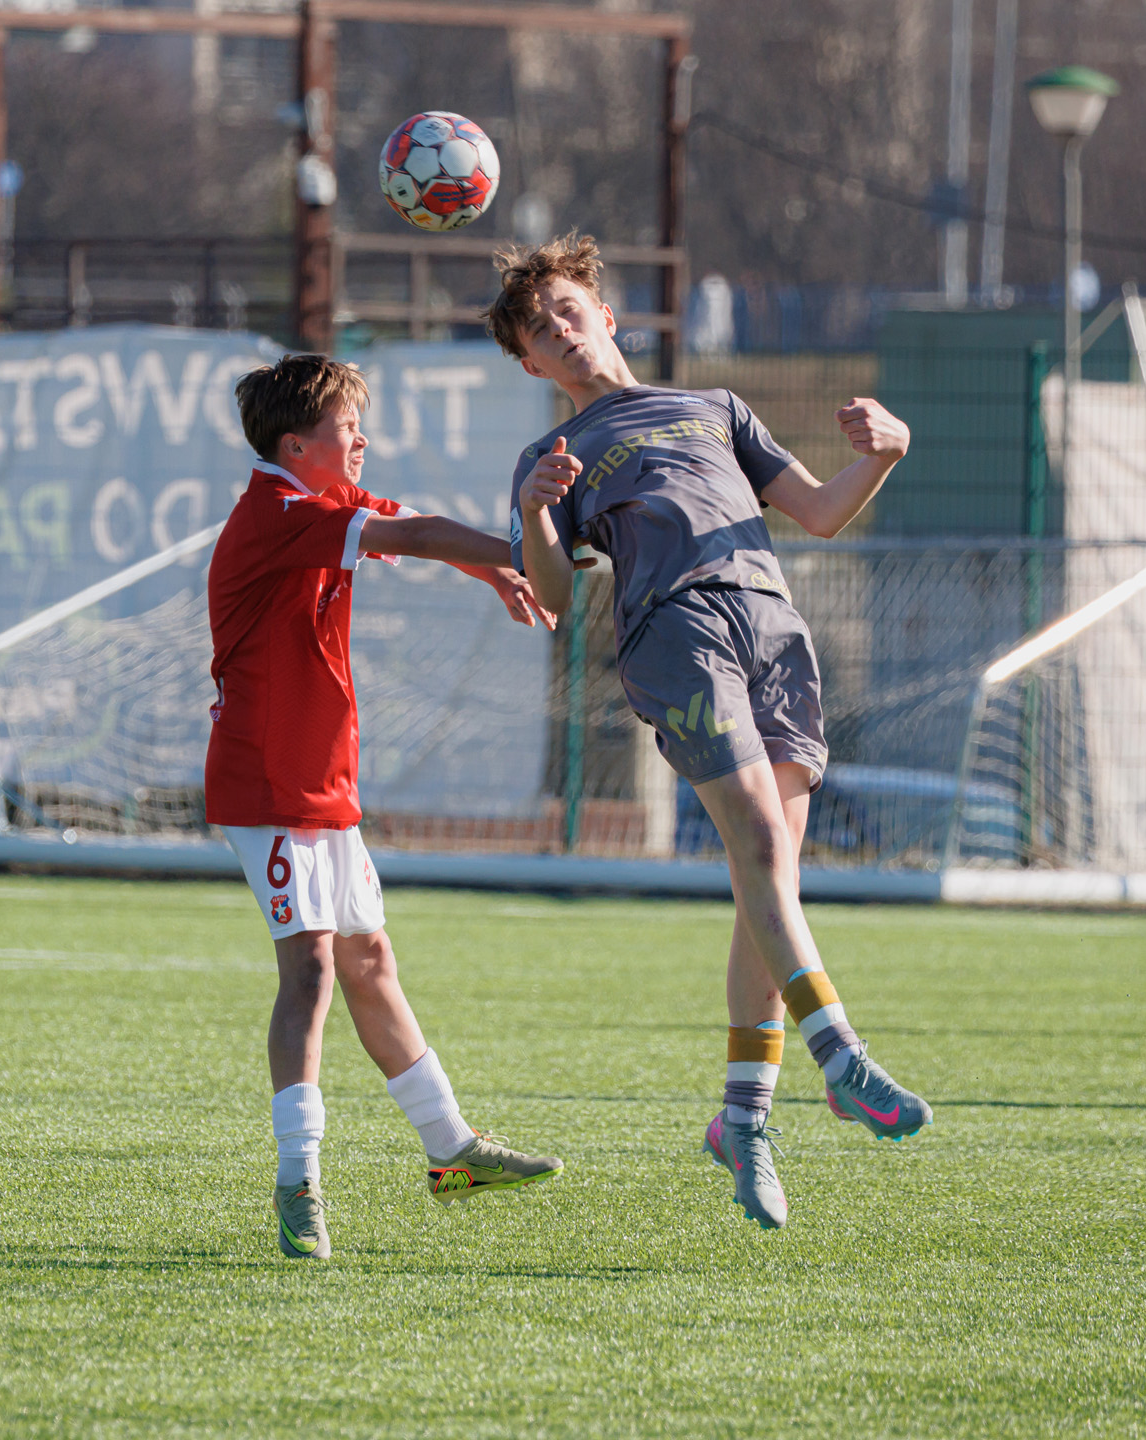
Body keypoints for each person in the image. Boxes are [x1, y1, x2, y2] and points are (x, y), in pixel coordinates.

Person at [488, 234, 931, 1231]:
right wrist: (538, 516)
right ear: (531, 365)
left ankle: (743, 1119)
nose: (559, 331)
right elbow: (552, 594)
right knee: (761, 846)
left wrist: (884, 455)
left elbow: (820, 512)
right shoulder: (550, 460)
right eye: (538, 332)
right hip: (674, 633)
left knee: (769, 885)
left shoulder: (715, 407)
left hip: (773, 626)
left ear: (605, 313)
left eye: (567, 310)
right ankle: (841, 1057)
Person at [210, 353, 564, 1260]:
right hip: (269, 786)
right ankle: (298, 1181)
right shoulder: (279, 512)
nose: (362, 440)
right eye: (347, 427)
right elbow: (419, 534)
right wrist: (523, 552)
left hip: (322, 784)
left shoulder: (322, 501)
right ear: (297, 446)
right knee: (312, 971)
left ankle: (452, 1151)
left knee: (369, 959)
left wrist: (492, 572)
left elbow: (410, 524)